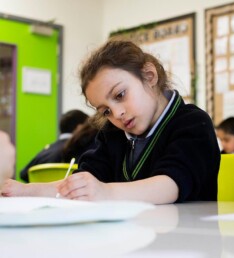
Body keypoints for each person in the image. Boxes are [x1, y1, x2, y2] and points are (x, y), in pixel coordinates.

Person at [2, 40, 220, 204]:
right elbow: (77, 185)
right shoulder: (111, 133)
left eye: (120, 95)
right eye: (105, 110)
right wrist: (24, 190)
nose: (117, 114)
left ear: (150, 75)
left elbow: (171, 185)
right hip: (133, 238)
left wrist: (105, 192)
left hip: (188, 238)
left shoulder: (192, 122)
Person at [20, 109, 88, 182]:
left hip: (40, 192)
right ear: (79, 127)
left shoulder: (46, 151)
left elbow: (23, 174)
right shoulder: (84, 151)